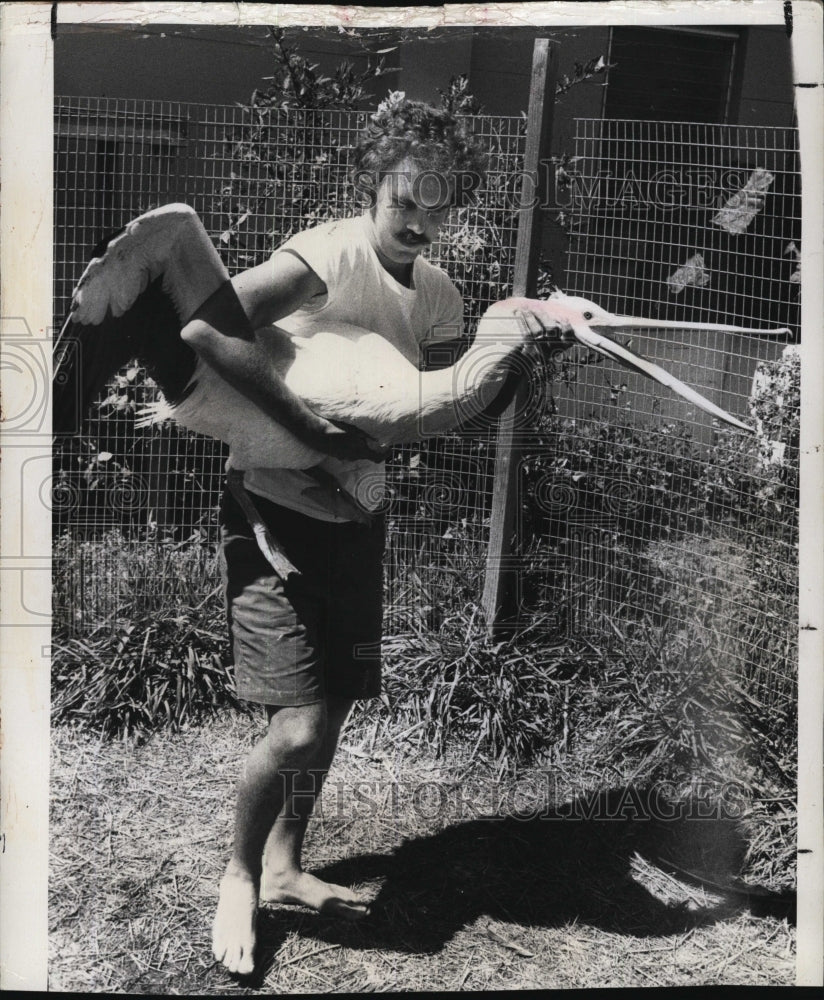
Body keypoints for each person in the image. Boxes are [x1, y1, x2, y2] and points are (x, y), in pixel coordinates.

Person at [181, 94, 562, 976]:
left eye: (440, 205)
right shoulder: (329, 255)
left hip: (356, 517)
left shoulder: (440, 295)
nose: (420, 223)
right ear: (374, 184)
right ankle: (240, 874)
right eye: (405, 201)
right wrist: (308, 429)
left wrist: (519, 363)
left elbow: (449, 406)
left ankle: (285, 865)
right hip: (274, 512)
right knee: (298, 728)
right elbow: (205, 324)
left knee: (336, 709)